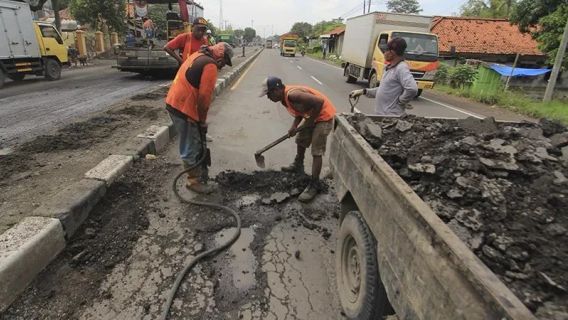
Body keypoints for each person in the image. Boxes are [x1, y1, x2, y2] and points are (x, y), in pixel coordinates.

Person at [165, 42, 234, 193]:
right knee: (192, 143)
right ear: (221, 57)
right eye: (224, 62)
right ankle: (193, 182)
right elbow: (204, 99)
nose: (222, 67)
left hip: (175, 102)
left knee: (193, 140)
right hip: (183, 106)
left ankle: (198, 174)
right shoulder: (210, 65)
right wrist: (202, 121)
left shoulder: (199, 54)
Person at [260, 77, 336, 202]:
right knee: (301, 139)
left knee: (316, 150)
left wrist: (310, 122)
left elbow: (319, 102)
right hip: (312, 115)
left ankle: (314, 184)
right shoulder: (284, 99)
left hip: (324, 116)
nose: (268, 98)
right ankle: (298, 165)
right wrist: (294, 127)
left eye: (269, 94)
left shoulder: (293, 95)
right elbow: (300, 111)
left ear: (277, 90)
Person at [349, 37, 418, 115]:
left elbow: (412, 89)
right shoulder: (389, 68)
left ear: (392, 52)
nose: (384, 53)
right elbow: (384, 90)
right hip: (382, 116)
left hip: (391, 117)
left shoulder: (401, 68)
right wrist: (363, 91)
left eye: (386, 50)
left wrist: (401, 101)